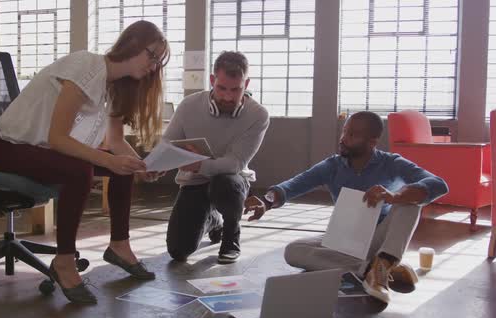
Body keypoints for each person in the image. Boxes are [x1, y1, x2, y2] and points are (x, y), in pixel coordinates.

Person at [0, 20, 169, 304]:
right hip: (9, 146)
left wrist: (142, 165)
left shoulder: (117, 87)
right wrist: (109, 161)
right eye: (153, 56)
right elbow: (58, 138)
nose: (155, 66)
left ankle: (119, 245)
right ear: (133, 44)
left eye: (159, 61)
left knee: (117, 166)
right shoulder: (87, 65)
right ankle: (64, 260)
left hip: (42, 150)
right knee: (82, 169)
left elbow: (116, 142)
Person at [244, 111, 448, 304]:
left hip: (380, 238)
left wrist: (395, 196)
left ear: (372, 142)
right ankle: (373, 269)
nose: (343, 138)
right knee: (293, 251)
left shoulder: (391, 163)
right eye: (344, 131)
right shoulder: (332, 165)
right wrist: (268, 200)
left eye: (352, 135)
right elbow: (294, 185)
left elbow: (438, 184)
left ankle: (384, 262)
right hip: (344, 239)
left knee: (410, 204)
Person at [162, 51, 269, 264]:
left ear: (246, 84)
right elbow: (167, 146)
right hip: (195, 182)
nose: (228, 97)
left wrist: (198, 164)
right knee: (178, 250)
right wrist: (162, 163)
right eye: (221, 88)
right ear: (212, 81)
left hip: (232, 181)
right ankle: (214, 220)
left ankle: (231, 237)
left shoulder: (258, 115)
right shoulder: (188, 106)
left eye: (236, 89)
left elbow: (234, 163)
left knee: (226, 182)